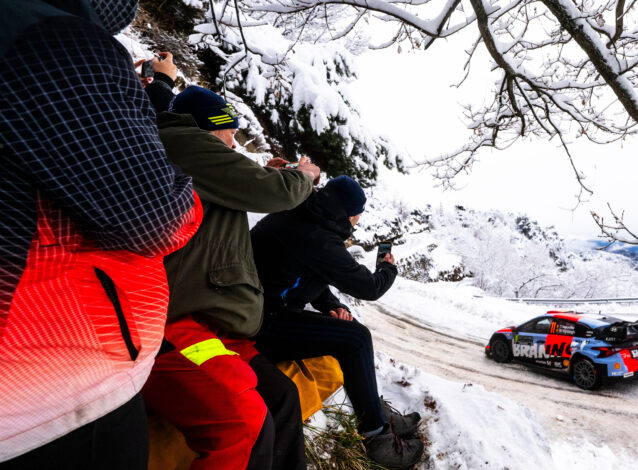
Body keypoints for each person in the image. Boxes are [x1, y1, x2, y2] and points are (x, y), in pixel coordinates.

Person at [0, 1, 202, 469]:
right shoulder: (51, 38)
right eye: (227, 131)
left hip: (59, 387)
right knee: (247, 410)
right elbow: (156, 217)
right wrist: (189, 198)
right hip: (55, 393)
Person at [141, 85, 320, 470]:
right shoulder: (186, 143)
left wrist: (264, 173)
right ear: (210, 127)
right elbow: (275, 193)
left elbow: (238, 187)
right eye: (230, 133)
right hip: (177, 325)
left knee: (282, 398)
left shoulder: (190, 151)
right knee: (245, 423)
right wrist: (304, 175)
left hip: (205, 324)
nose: (234, 144)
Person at [250, 175, 424, 469]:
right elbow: (369, 288)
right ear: (351, 214)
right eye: (358, 215)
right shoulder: (318, 238)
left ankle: (376, 411)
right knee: (356, 339)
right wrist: (387, 269)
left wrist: (332, 305)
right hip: (261, 323)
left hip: (262, 309)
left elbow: (306, 273)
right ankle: (377, 437)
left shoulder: (302, 216)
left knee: (348, 336)